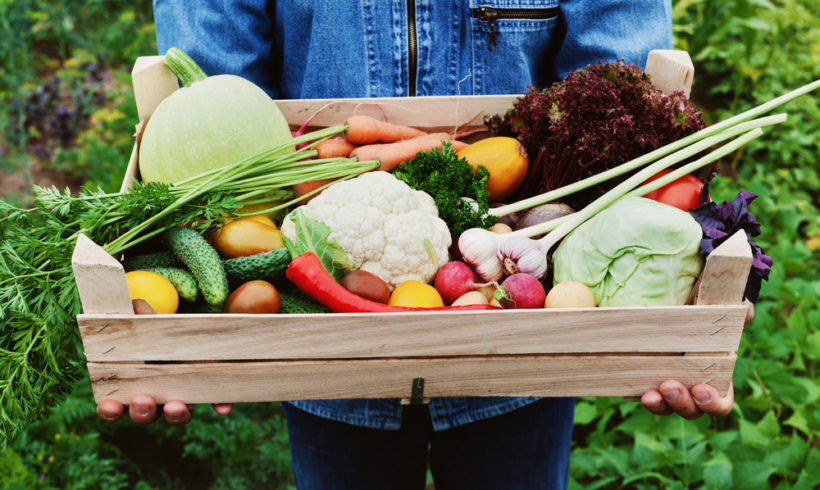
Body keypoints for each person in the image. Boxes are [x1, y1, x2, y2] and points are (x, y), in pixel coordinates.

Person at [99, 1, 751, 488]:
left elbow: (617, 87)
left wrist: (665, 321)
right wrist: (189, 340)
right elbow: (213, 96)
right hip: (319, 350)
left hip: (526, 341)